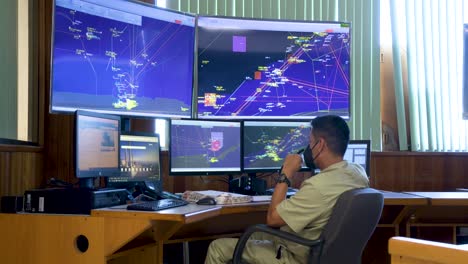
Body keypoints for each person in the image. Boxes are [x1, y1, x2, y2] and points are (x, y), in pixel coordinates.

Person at [204, 115, 370, 264]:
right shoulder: (357, 172)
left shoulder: (318, 186)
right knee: (255, 235)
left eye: (310, 142)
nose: (308, 148)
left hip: (297, 256)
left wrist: (286, 174)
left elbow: (273, 219)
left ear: (320, 145)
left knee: (218, 247)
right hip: (325, 253)